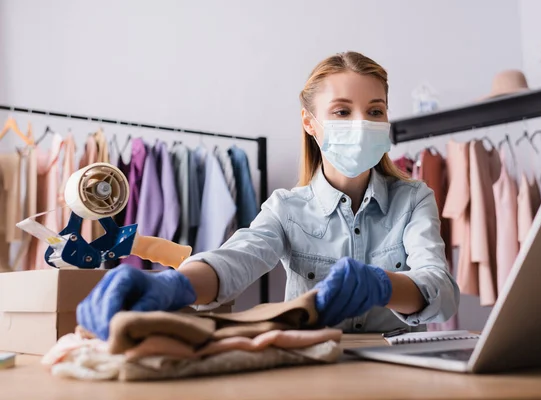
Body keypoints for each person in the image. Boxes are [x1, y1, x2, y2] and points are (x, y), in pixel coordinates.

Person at [77, 51, 460, 340]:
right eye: (342, 112)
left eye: (375, 111)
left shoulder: (414, 199)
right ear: (310, 124)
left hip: (400, 371)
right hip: (313, 367)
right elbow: (237, 258)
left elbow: (441, 290)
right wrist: (176, 284)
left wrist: (384, 286)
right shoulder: (286, 208)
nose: (362, 123)